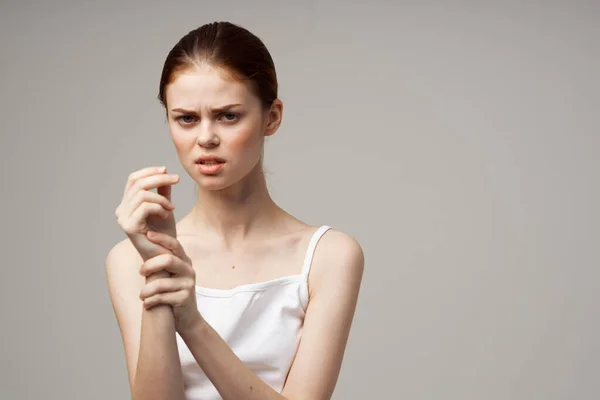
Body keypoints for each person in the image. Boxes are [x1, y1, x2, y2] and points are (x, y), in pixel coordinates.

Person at [106, 21, 364, 400]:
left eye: (228, 116)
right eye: (186, 119)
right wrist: (160, 266)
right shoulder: (129, 260)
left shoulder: (330, 256)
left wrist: (192, 323)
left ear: (271, 117)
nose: (206, 138)